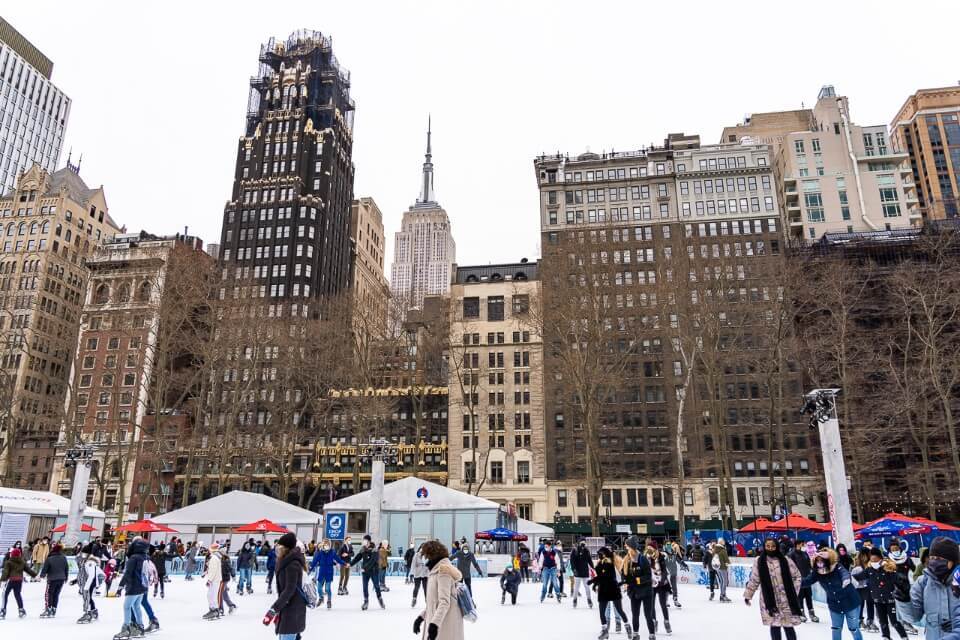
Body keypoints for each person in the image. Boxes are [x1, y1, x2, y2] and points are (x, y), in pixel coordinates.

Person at [744, 537, 803, 640]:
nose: (770, 548)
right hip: (769, 600)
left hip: (786, 599)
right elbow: (754, 579)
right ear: (764, 547)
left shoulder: (785, 560)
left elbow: (797, 576)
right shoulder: (759, 561)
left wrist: (792, 591)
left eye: (773, 546)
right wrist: (748, 595)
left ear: (777, 547)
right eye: (768, 546)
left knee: (788, 626)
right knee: (774, 625)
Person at [803, 548, 863, 640]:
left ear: (828, 560)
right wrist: (792, 583)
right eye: (817, 561)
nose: (819, 563)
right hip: (835, 604)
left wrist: (846, 579)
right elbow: (807, 581)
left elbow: (844, 573)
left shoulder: (837, 567)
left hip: (850, 602)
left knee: (853, 628)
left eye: (822, 560)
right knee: (836, 629)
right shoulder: (817, 572)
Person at [907, 537, 960, 640]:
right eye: (932, 558)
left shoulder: (957, 582)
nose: (935, 561)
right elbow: (914, 617)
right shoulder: (923, 582)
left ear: (952, 561)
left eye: (939, 558)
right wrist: (904, 601)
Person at [412, 540, 464, 640]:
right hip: (439, 620)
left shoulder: (443, 571)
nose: (423, 557)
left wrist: (434, 625)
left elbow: (444, 602)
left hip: (446, 623)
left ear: (431, 554)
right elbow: (433, 602)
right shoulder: (434, 570)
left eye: (425, 554)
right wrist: (421, 618)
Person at [263, 533, 307, 640]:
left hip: (292, 610)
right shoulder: (285, 562)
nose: (277, 549)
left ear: (286, 548)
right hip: (287, 609)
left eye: (280, 546)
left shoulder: (292, 564)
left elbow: (289, 590)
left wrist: (273, 610)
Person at [864, 548, 908, 640]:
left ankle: (904, 637)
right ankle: (886, 636)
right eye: (872, 560)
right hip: (878, 600)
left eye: (875, 560)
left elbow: (899, 581)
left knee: (894, 621)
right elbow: (858, 576)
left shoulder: (888, 569)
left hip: (890, 600)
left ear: (880, 559)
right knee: (882, 621)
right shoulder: (869, 570)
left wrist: (890, 570)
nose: (873, 562)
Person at [589, 546, 628, 640]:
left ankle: (618, 623)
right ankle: (606, 626)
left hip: (615, 586)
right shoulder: (601, 562)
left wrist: (623, 582)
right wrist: (596, 584)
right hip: (605, 587)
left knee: (617, 608)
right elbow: (600, 575)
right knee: (606, 608)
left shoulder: (616, 560)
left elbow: (623, 571)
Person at [621, 535, 655, 640]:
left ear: (632, 547)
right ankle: (635, 634)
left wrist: (637, 580)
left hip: (646, 592)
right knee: (635, 614)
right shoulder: (626, 560)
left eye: (627, 546)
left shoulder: (642, 559)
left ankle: (652, 634)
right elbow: (624, 575)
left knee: (648, 615)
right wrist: (625, 583)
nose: (626, 548)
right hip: (634, 592)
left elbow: (648, 576)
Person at [115, 536, 149, 639]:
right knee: (136, 606)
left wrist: (120, 586)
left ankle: (126, 629)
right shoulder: (145, 557)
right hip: (142, 586)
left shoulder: (133, 558)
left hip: (134, 586)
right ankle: (140, 628)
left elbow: (128, 573)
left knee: (127, 606)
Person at [0, 546, 37, 618]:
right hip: (19, 580)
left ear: (12, 554)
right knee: (17, 594)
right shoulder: (22, 562)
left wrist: (2, 580)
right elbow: (28, 570)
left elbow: (5, 572)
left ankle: (3, 611)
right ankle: (21, 610)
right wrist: (35, 575)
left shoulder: (9, 562)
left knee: (5, 594)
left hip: (11, 580)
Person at [788, 538, 819, 622]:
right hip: (798, 579)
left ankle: (812, 614)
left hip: (807, 578)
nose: (804, 545)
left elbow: (809, 564)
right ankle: (801, 613)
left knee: (809, 596)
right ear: (798, 544)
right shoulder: (791, 554)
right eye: (803, 543)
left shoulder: (805, 553)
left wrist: (812, 570)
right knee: (800, 597)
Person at [351, 535, 385, 610]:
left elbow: (372, 561)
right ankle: (366, 601)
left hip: (373, 571)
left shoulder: (374, 550)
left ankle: (380, 599)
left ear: (369, 541)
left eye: (365, 540)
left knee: (376, 586)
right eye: (363, 540)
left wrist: (364, 568)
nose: (364, 542)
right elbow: (357, 558)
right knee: (365, 587)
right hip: (365, 572)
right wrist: (350, 564)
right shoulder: (363, 549)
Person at [647, 541, 673, 634]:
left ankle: (666, 622)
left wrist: (662, 580)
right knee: (651, 605)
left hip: (662, 584)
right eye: (648, 548)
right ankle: (654, 622)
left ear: (654, 548)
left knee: (663, 604)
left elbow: (665, 571)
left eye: (650, 548)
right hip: (652, 584)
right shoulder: (647, 558)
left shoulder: (661, 557)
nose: (649, 549)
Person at [309, 539, 344, 609]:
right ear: (323, 545)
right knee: (319, 588)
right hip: (322, 572)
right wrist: (310, 569)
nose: (326, 546)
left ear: (329, 545)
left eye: (327, 545)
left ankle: (329, 601)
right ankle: (321, 598)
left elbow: (338, 559)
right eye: (325, 545)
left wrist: (345, 564)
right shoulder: (320, 553)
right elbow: (314, 561)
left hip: (329, 572)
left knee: (327, 588)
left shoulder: (332, 552)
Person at [39, 542, 69, 618]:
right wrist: (66, 577)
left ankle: (48, 609)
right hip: (61, 579)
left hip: (52, 579)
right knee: (56, 594)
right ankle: (54, 609)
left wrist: (42, 575)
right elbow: (66, 568)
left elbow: (45, 568)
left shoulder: (49, 558)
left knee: (50, 594)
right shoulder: (63, 557)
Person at [852, 547, 877, 632]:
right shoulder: (857, 567)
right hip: (859, 588)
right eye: (863, 555)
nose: (864, 557)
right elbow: (853, 578)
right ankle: (860, 620)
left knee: (870, 603)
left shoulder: (872, 565)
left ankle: (870, 621)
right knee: (860, 604)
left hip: (870, 587)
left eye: (866, 555)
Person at [76, 543, 102, 623]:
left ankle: (88, 614)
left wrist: (86, 587)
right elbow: (83, 573)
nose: (82, 555)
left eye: (84, 553)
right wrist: (75, 581)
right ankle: (93, 611)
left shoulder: (90, 562)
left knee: (87, 598)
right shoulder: (86, 561)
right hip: (87, 582)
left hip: (89, 583)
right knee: (89, 598)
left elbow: (91, 575)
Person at [569, 539, 595, 608]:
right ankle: (575, 599)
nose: (583, 544)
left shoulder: (587, 551)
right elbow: (572, 561)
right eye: (582, 542)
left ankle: (589, 600)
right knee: (576, 587)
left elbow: (590, 560)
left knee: (587, 587)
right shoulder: (575, 550)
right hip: (577, 572)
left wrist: (593, 568)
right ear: (579, 543)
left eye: (584, 543)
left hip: (585, 572)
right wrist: (574, 569)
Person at [202, 542, 224, 620]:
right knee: (210, 595)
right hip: (215, 579)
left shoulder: (214, 558)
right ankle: (213, 609)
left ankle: (215, 611)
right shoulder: (214, 558)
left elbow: (213, 570)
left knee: (212, 595)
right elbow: (211, 569)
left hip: (215, 580)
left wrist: (209, 580)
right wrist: (206, 573)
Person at [663, 542, 688, 608]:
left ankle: (675, 600)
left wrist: (685, 565)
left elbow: (680, 561)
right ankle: (666, 600)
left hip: (673, 573)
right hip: (667, 574)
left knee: (674, 587)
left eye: (670, 547)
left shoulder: (674, 554)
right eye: (668, 547)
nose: (669, 548)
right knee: (667, 587)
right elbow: (660, 562)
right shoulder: (664, 555)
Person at [218, 544, 238, 615]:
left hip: (224, 578)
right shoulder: (219, 557)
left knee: (220, 593)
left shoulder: (225, 558)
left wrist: (233, 575)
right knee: (224, 593)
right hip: (221, 578)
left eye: (223, 551)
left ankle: (220, 609)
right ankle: (231, 605)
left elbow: (231, 568)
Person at [713, 537, 731, 603]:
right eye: (723, 541)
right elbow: (726, 559)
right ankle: (723, 595)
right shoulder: (723, 550)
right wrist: (728, 563)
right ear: (721, 542)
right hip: (723, 567)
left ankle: (722, 595)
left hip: (717, 567)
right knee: (725, 581)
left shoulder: (715, 549)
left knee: (721, 581)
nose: (724, 542)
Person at [411, 543, 429, 608]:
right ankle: (414, 599)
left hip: (425, 573)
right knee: (417, 587)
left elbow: (430, 564)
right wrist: (412, 573)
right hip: (418, 573)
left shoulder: (428, 555)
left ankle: (427, 601)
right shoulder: (416, 555)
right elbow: (413, 564)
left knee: (426, 588)